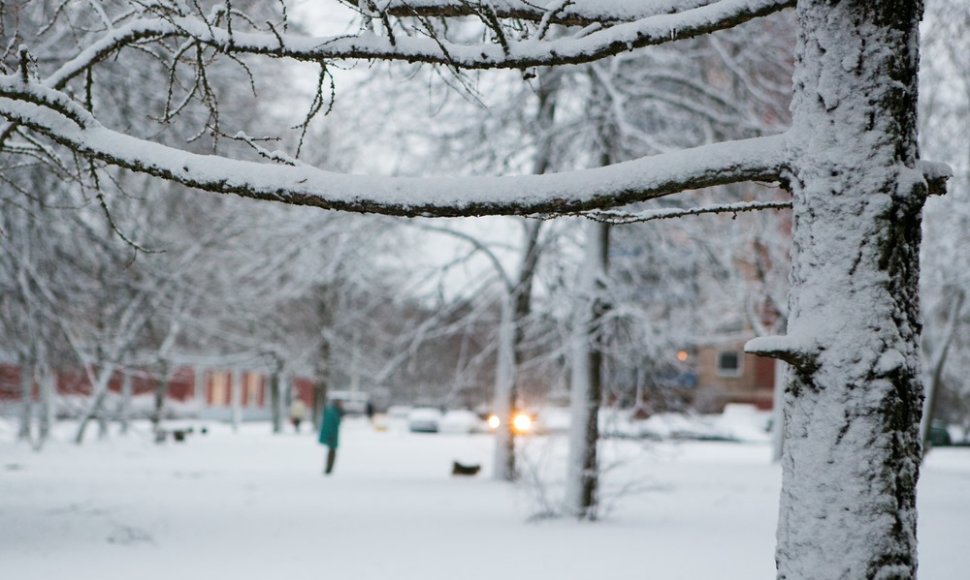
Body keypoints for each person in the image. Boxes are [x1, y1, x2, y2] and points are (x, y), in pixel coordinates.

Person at [318, 399, 343, 475]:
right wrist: (330, 435)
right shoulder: (332, 412)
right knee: (331, 452)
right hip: (332, 436)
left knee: (332, 452)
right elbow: (329, 425)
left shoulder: (334, 412)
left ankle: (329, 469)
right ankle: (328, 469)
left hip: (333, 435)